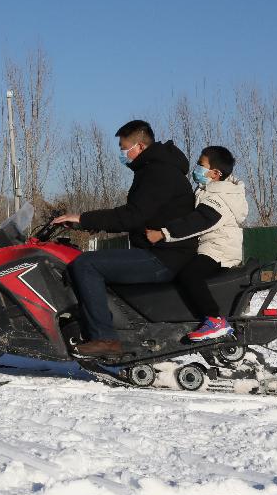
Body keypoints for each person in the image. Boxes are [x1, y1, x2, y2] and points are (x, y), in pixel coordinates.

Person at [51, 120, 196, 357]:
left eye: (123, 147)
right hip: (162, 252)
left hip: (163, 257)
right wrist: (91, 225)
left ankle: (104, 338)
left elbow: (131, 216)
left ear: (139, 146)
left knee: (86, 265)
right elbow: (140, 216)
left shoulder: (158, 173)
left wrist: (83, 219)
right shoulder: (156, 168)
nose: (122, 153)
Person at [145, 146, 248, 341]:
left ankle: (215, 319)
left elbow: (198, 221)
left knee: (189, 275)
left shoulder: (219, 197)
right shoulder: (211, 189)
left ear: (216, 173)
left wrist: (163, 233)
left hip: (219, 250)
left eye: (201, 165)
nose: (196, 169)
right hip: (211, 246)